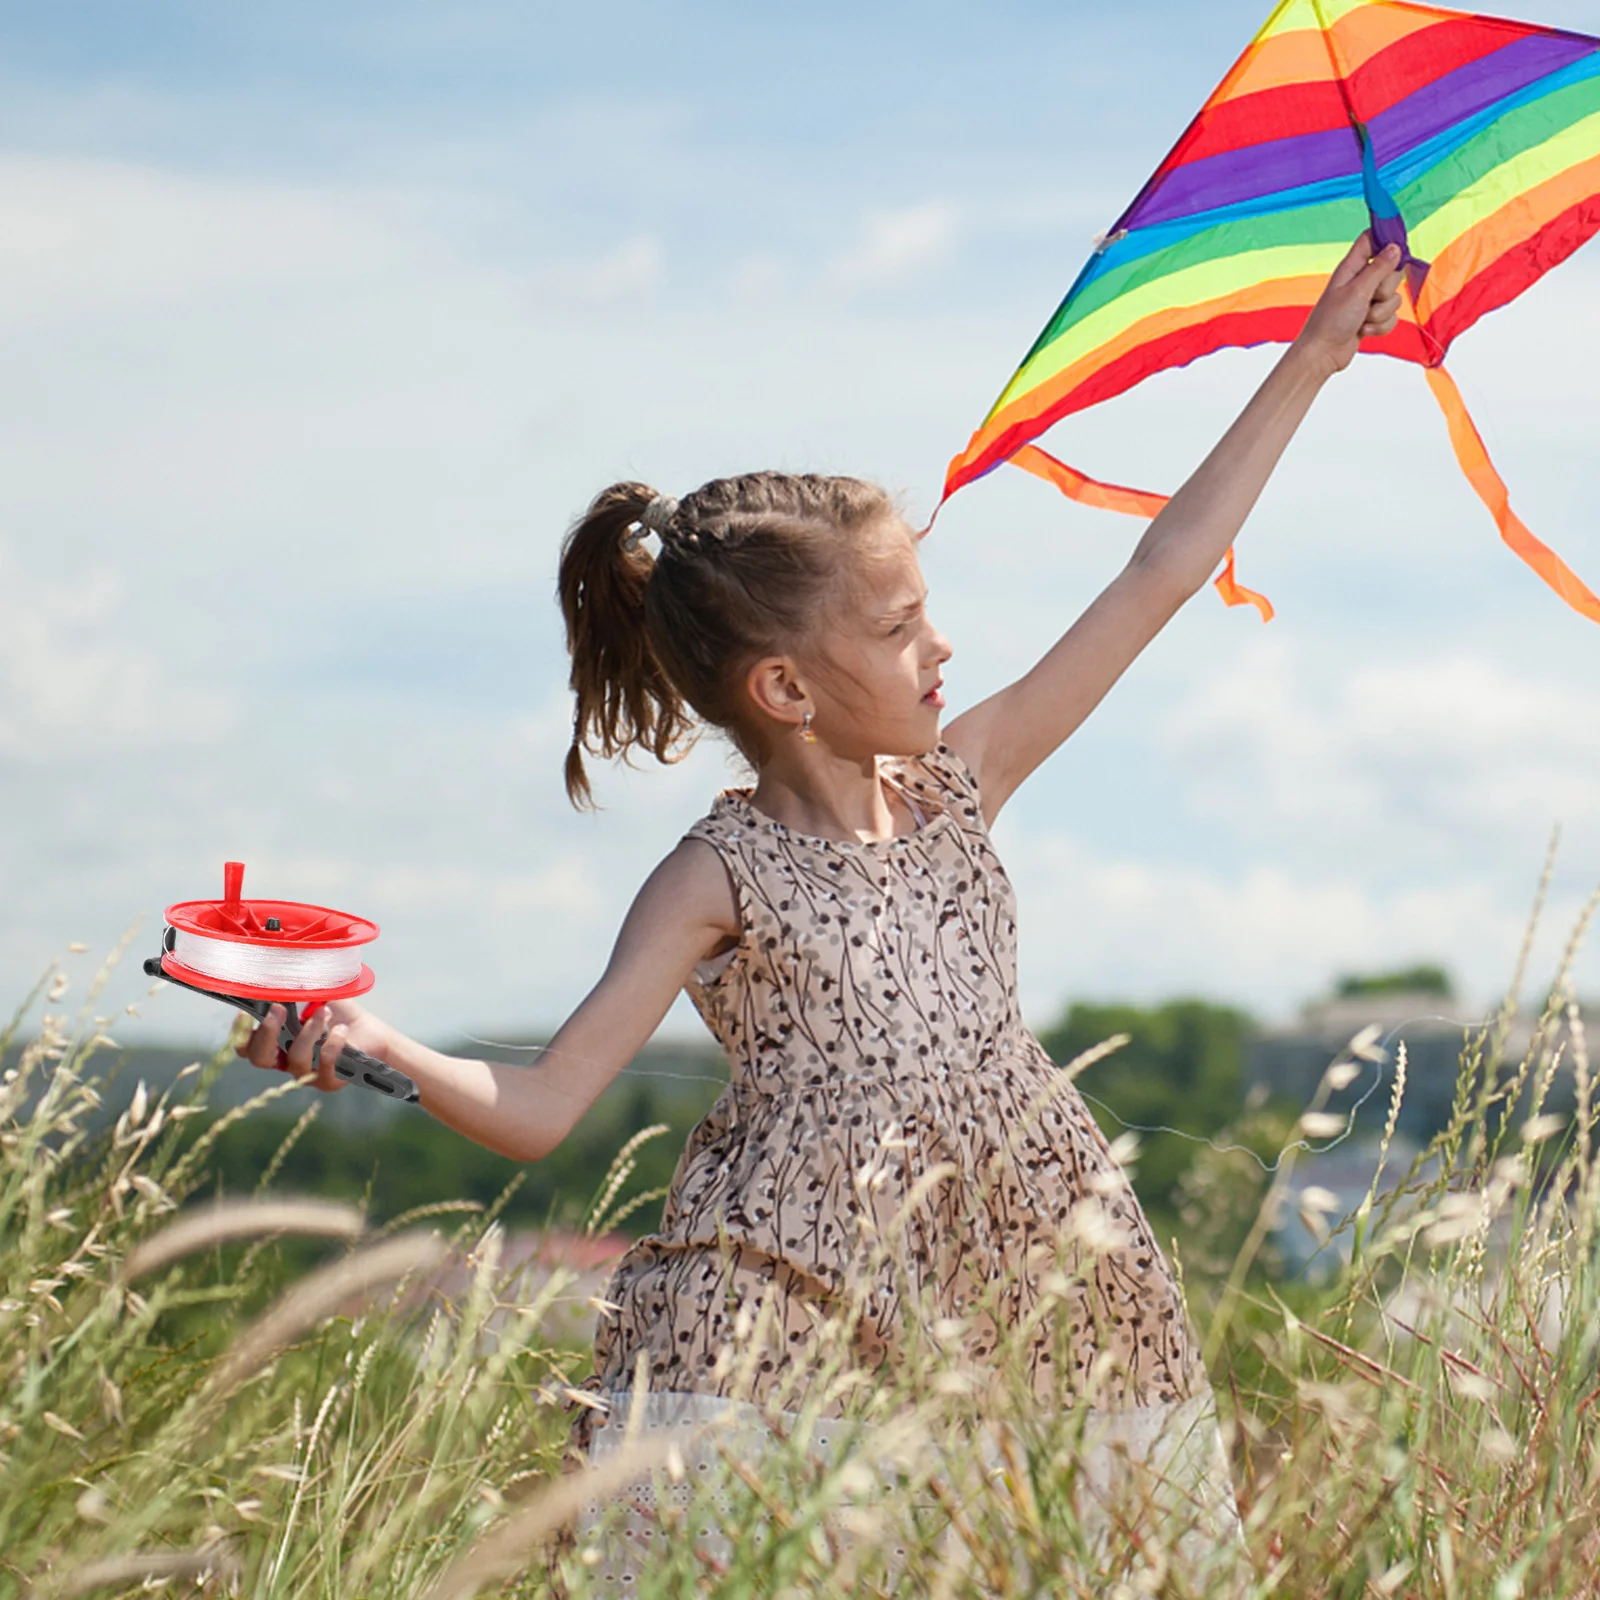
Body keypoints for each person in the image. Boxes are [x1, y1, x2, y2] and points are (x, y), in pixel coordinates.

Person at [240, 235, 1405, 1575]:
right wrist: (378, 1045)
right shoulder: (713, 876)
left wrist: (1312, 359)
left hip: (1032, 1292)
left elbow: (1158, 573)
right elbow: (547, 1105)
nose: (943, 646)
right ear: (785, 690)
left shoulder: (965, 781)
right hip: (778, 1337)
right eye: (903, 626)